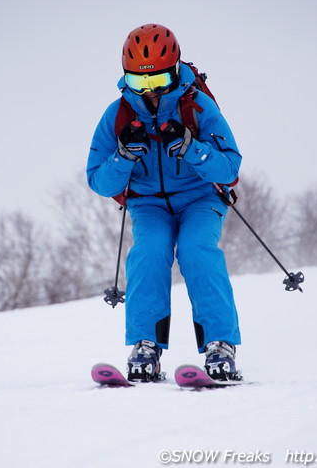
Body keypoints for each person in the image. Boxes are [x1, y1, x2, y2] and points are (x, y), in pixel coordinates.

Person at [86, 23, 243, 382]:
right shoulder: (117, 115)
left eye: (159, 82)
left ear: (176, 72)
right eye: (141, 84)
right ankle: (146, 345)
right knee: (149, 252)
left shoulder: (197, 107)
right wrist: (123, 155)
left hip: (200, 198)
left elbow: (230, 167)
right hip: (148, 204)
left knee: (196, 250)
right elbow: (98, 179)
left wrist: (192, 148)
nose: (151, 93)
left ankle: (221, 345)